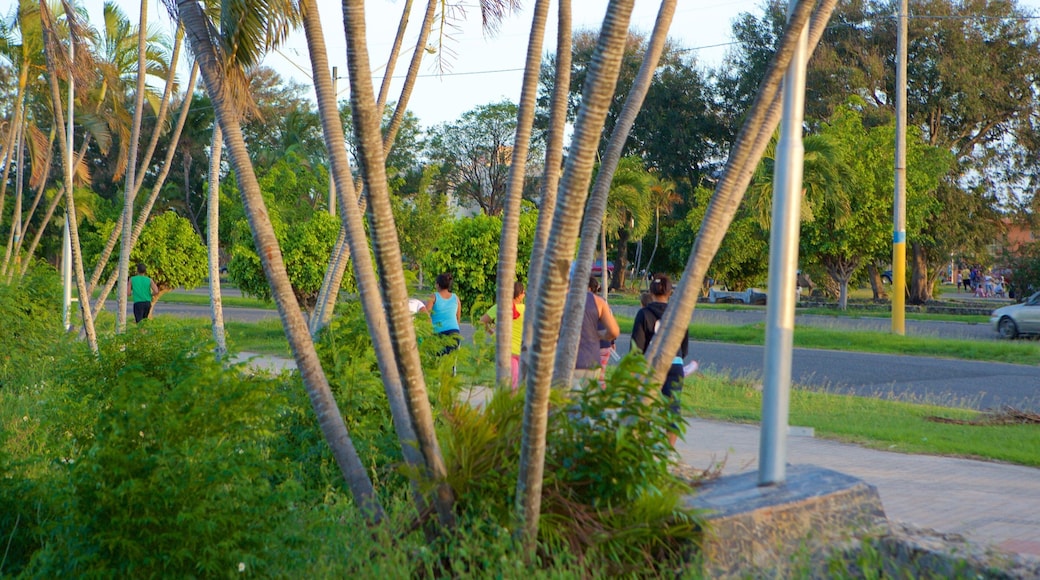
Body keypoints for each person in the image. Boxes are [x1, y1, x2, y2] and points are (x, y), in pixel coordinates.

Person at [631, 274, 688, 447]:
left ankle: (643, 445)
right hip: (675, 363)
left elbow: (636, 347)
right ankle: (669, 449)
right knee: (672, 408)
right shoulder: (678, 314)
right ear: (670, 292)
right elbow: (684, 347)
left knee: (644, 406)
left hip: (651, 365)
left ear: (651, 292)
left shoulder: (644, 314)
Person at [573, 275, 619, 389]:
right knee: (593, 391)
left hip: (569, 361)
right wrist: (601, 336)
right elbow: (613, 331)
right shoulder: (600, 302)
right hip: (592, 359)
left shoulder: (563, 299)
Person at [479, 281, 526, 391]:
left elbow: (481, 321)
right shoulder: (526, 309)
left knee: (509, 384)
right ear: (519, 295)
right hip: (523, 352)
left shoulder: (500, 307)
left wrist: (493, 333)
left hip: (506, 351)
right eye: (524, 293)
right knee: (522, 385)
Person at [426, 273, 462, 356]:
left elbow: (426, 315)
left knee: (438, 360)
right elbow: (458, 318)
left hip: (438, 333)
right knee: (450, 360)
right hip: (454, 332)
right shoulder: (456, 298)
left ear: (438, 285)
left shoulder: (434, 297)